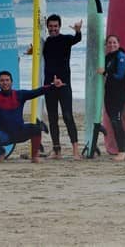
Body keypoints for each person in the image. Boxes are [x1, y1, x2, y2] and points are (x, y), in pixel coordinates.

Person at [41, 14, 82, 160]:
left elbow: (77, 39)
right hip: (49, 86)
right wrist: (31, 51)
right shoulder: (45, 43)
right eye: (50, 26)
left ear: (59, 26)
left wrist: (78, 31)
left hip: (64, 84)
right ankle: (56, 150)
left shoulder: (65, 39)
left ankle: (75, 150)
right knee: (52, 118)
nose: (53, 29)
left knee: (67, 116)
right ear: (47, 27)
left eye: (55, 26)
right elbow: (39, 56)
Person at [99, 35, 125, 162]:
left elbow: (120, 76)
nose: (112, 45)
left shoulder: (121, 56)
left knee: (117, 122)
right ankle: (122, 151)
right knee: (113, 122)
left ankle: (122, 152)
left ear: (118, 43)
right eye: (109, 43)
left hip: (119, 94)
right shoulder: (107, 58)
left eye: (114, 42)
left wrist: (105, 73)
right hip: (109, 93)